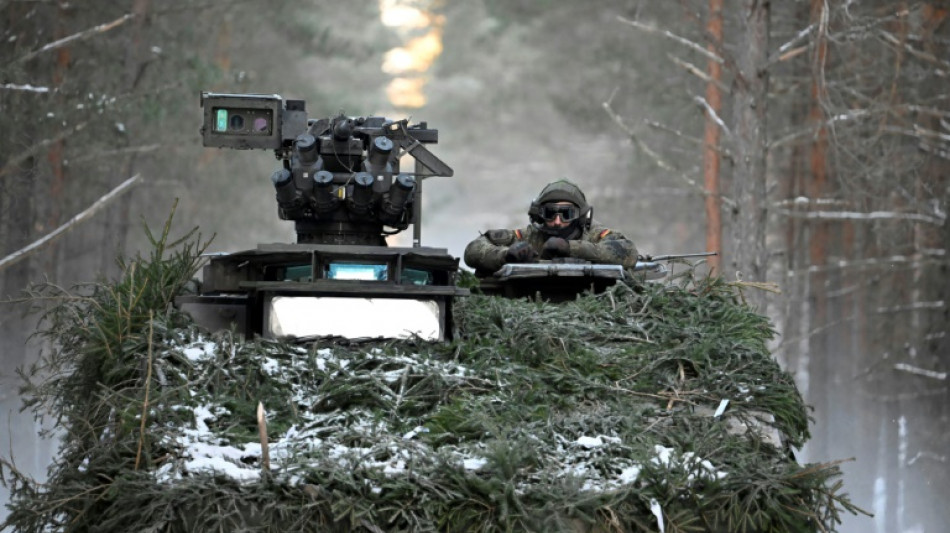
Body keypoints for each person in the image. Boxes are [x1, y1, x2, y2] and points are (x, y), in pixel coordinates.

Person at [464, 179, 639, 277]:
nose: (557, 221)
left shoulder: (594, 235)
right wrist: (505, 255)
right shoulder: (529, 236)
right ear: (539, 215)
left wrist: (570, 248)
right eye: (550, 213)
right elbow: (474, 250)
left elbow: (628, 252)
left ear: (579, 215)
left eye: (566, 213)